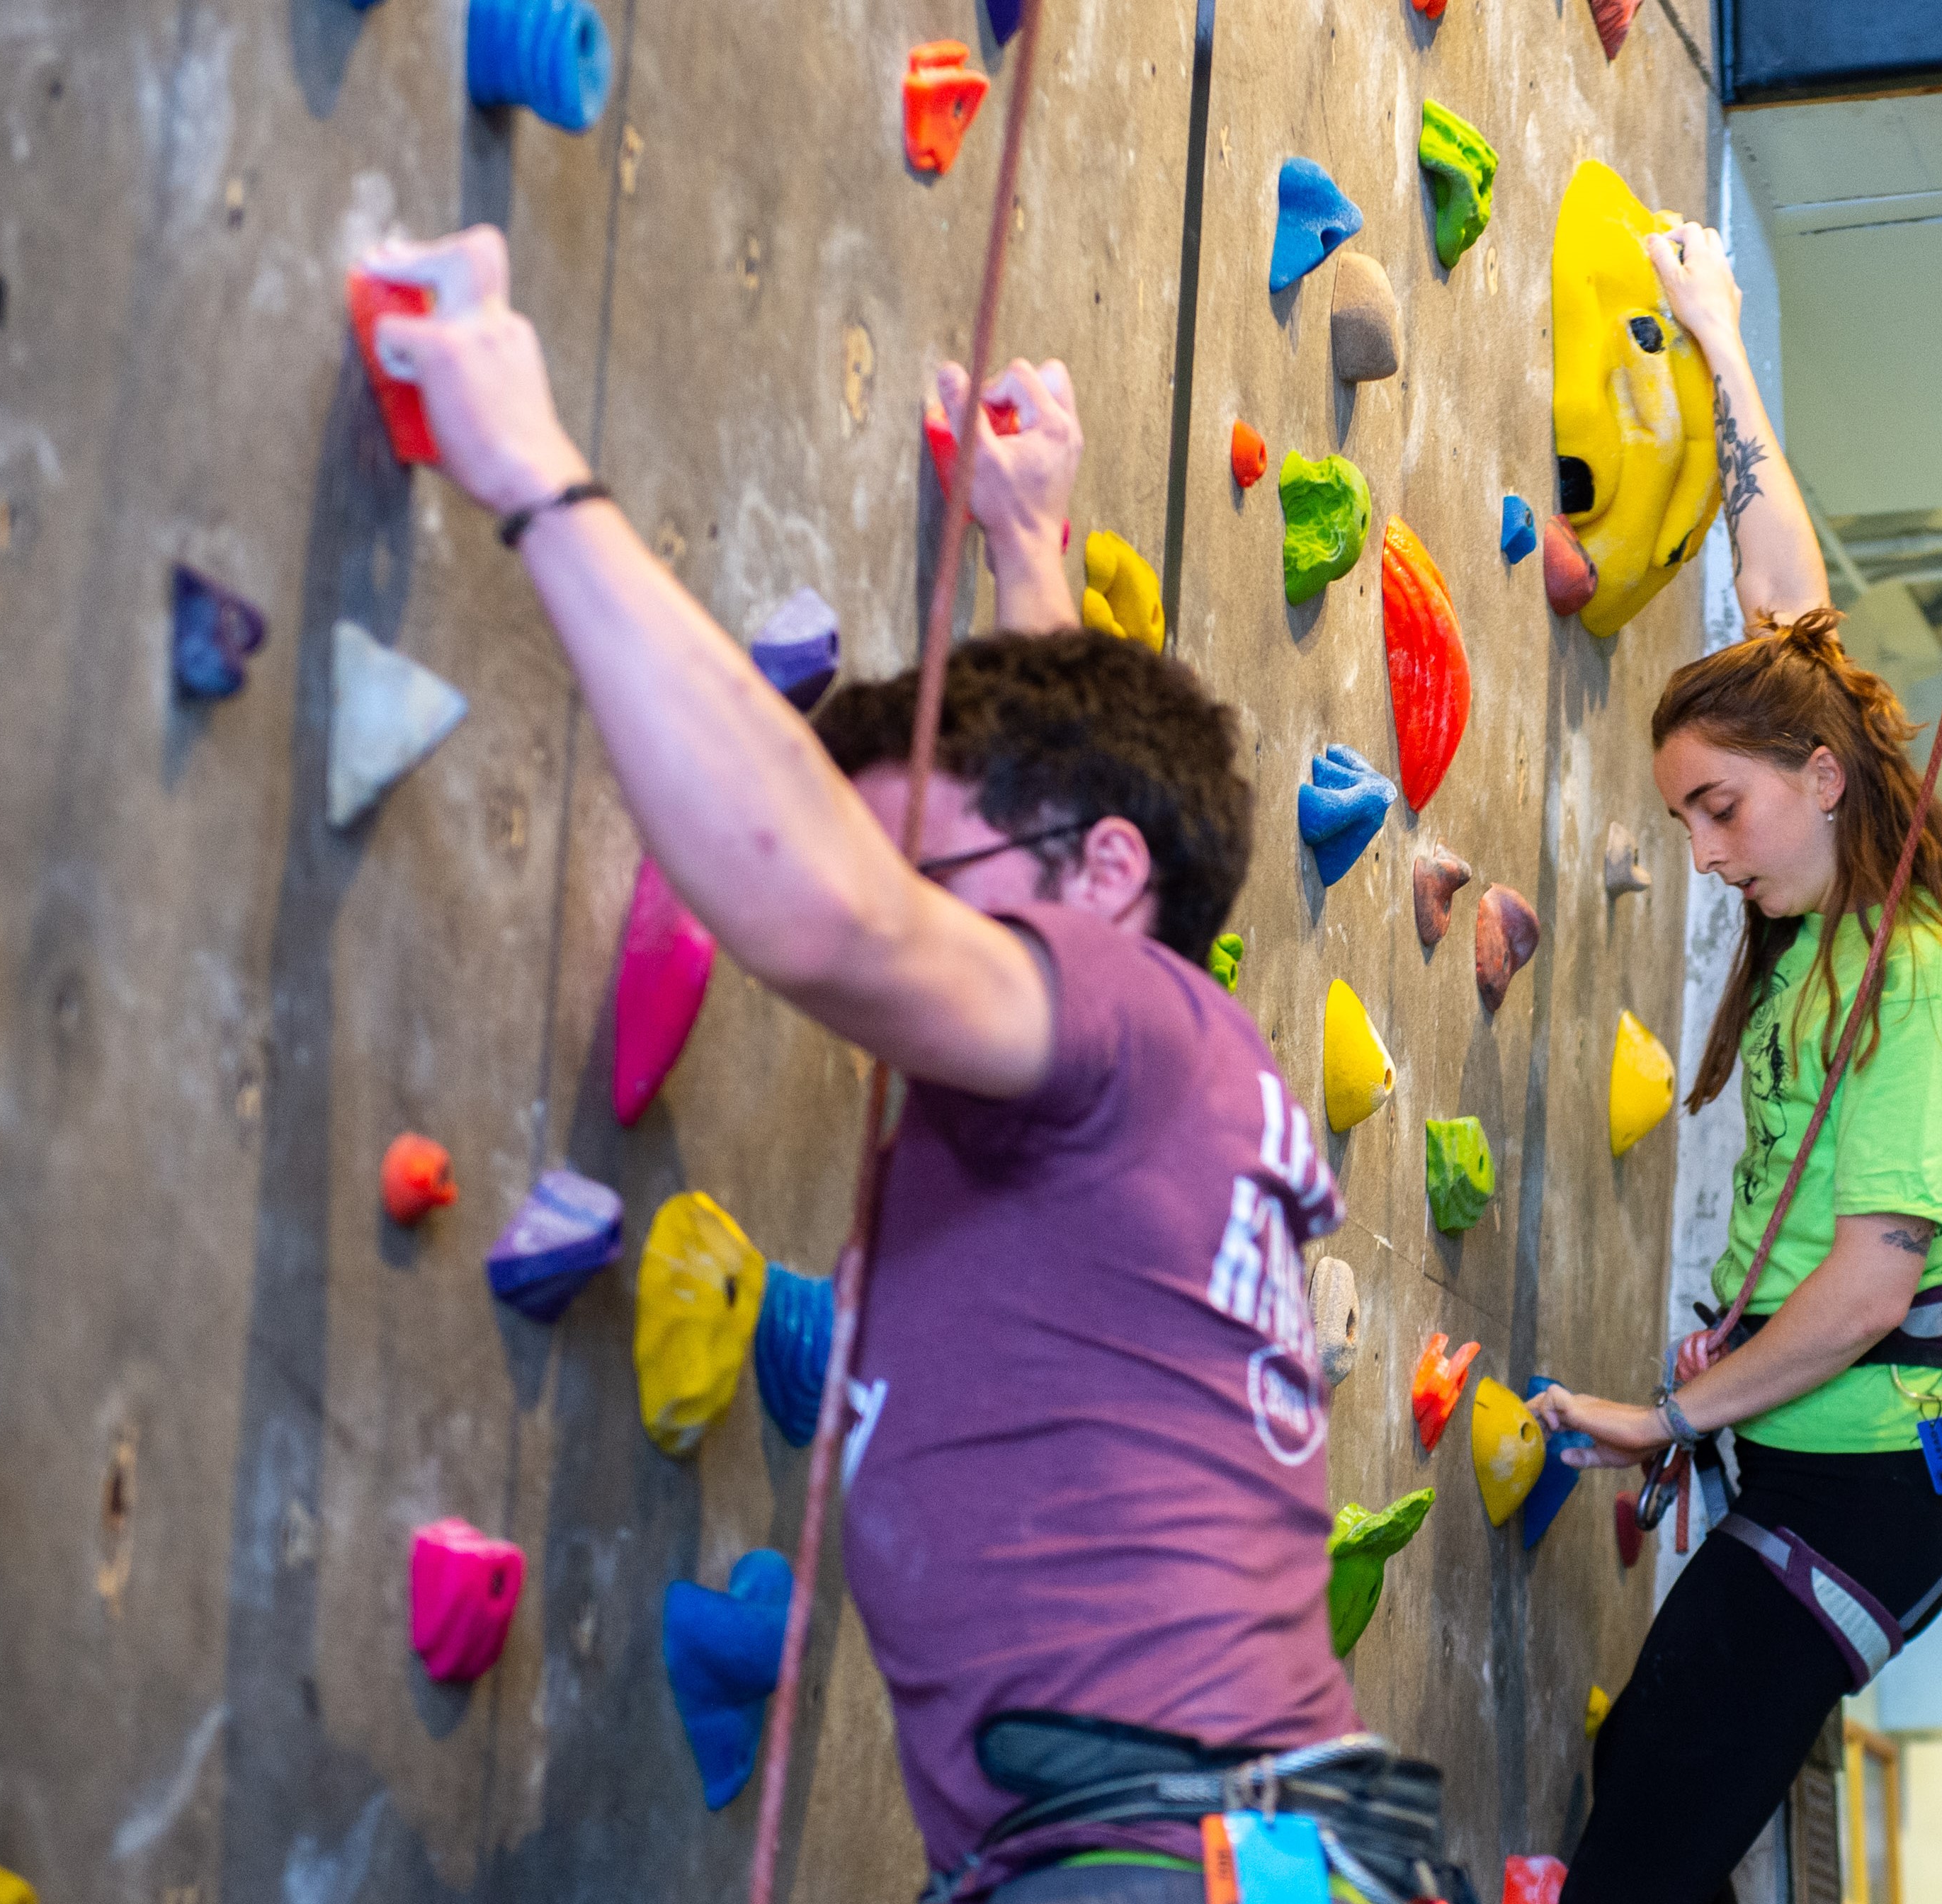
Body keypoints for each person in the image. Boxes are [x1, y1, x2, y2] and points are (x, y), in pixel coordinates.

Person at [363, 227, 1460, 1904]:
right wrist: (1035, 556)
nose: (920, 943)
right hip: (1234, 1848)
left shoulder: (1124, 1020)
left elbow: (842, 928)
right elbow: (1084, 853)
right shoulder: (1174, 1058)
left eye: (931, 884)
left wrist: (529, 468)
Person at [1527, 222, 1942, 1903]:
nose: (1701, 848)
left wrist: (1664, 1415)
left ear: (1819, 782)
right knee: (1652, 1792)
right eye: (1685, 811)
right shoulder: (1830, 872)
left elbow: (1855, 1290)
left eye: (1720, 807)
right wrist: (1715, 328)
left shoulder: (1911, 979)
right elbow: (1788, 597)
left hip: (1867, 1485)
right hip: (1814, 1462)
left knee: (1647, 1845)